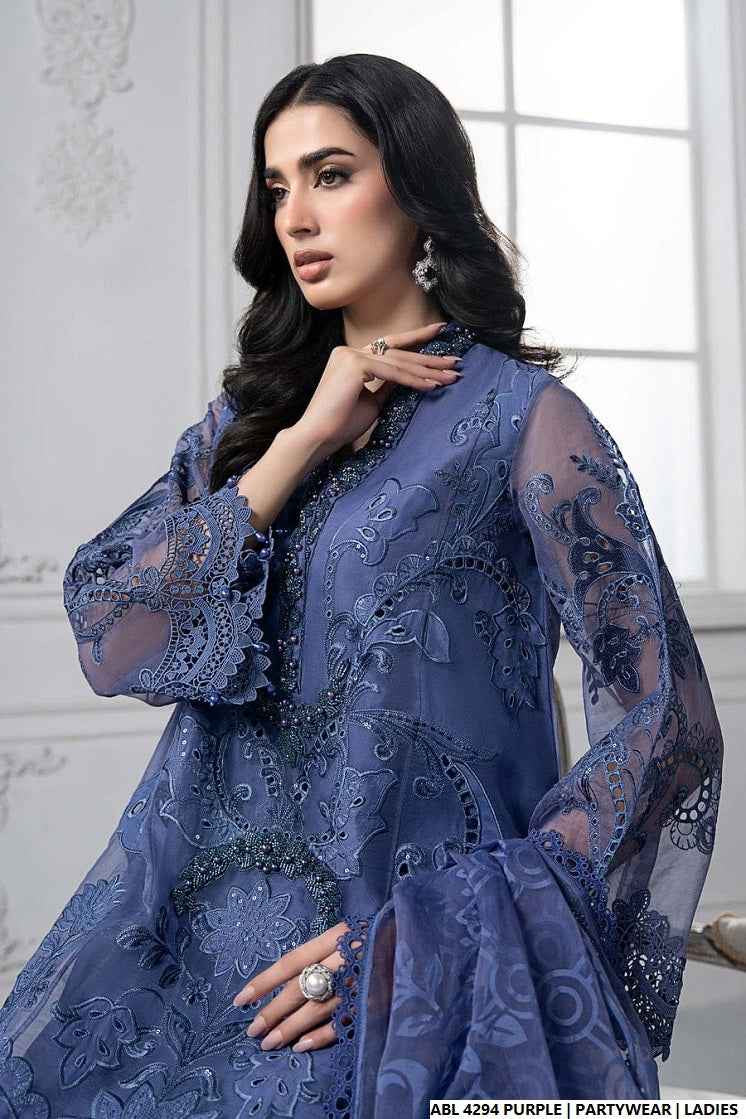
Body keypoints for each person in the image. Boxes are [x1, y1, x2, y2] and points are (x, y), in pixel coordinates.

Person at [0, 52, 723, 1119]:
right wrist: (301, 440)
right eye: (277, 187)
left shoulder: (521, 421)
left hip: (391, 974)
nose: (295, 217)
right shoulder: (249, 430)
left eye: (330, 175)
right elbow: (109, 627)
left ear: (417, 190)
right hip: (183, 954)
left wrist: (422, 939)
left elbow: (667, 718)